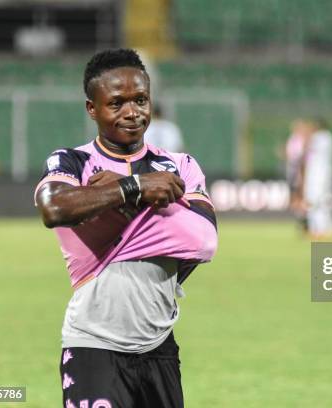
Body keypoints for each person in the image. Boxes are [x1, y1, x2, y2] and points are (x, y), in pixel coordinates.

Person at [34, 49, 218, 408]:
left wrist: (107, 198)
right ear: (92, 108)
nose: (132, 112)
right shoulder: (73, 161)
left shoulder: (180, 164)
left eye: (141, 100)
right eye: (116, 103)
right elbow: (56, 208)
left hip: (159, 347)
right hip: (92, 346)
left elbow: (202, 241)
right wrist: (138, 188)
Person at [302, 118, 332, 239]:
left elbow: (306, 143)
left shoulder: (323, 137)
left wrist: (306, 133)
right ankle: (318, 229)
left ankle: (321, 229)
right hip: (318, 174)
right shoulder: (326, 137)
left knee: (317, 201)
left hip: (319, 175)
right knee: (318, 201)